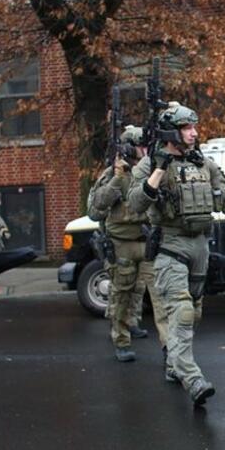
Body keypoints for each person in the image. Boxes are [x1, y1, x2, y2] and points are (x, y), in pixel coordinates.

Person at [128, 102, 225, 405]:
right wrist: (159, 168)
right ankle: (193, 378)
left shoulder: (205, 164)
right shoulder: (150, 165)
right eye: (187, 128)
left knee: (194, 313)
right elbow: (135, 204)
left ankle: (175, 365)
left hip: (200, 246)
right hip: (170, 246)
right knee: (182, 312)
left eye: (193, 127)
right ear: (171, 132)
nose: (194, 133)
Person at [89, 124, 168, 362]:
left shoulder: (151, 171)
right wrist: (117, 179)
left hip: (148, 243)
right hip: (121, 244)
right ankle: (121, 339)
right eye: (141, 146)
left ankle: (170, 350)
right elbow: (95, 210)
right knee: (121, 295)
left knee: (160, 297)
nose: (145, 150)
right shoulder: (114, 174)